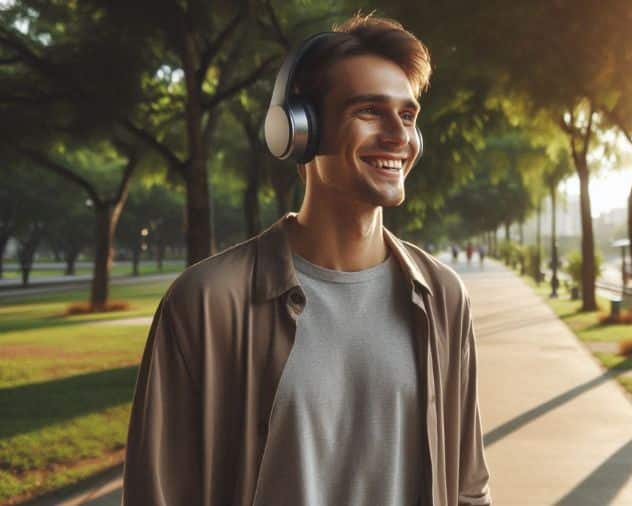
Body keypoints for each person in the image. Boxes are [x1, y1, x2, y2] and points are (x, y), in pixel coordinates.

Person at [122, 15, 491, 506]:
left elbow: (468, 489)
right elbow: (158, 494)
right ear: (300, 130)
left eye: (407, 116)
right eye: (369, 111)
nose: (398, 136)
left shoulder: (442, 297)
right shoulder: (207, 303)